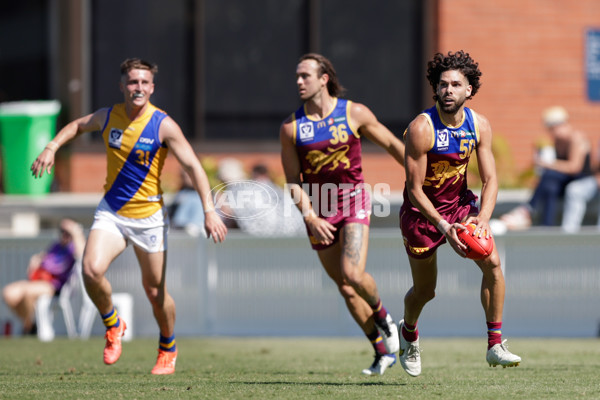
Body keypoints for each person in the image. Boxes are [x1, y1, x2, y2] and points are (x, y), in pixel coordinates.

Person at [30, 58, 227, 375]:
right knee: (91, 270)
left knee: (154, 292)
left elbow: (193, 166)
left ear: (152, 87)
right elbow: (77, 126)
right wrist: (52, 146)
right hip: (112, 212)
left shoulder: (163, 124)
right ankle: (113, 324)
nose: (138, 88)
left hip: (149, 217)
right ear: (122, 86)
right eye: (132, 82)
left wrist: (208, 209)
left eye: (144, 83)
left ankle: (168, 347)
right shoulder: (108, 116)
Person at [280, 53, 405, 376]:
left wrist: (422, 178)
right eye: (297, 76)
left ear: (324, 78)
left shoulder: (354, 112)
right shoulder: (292, 128)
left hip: (354, 201)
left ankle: (384, 318)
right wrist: (310, 217)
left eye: (305, 75)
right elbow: (293, 182)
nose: (298, 81)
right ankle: (382, 352)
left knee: (352, 273)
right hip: (318, 210)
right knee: (346, 288)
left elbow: (392, 143)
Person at [399, 50, 521, 377]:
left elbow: (491, 179)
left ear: (469, 90)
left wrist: (483, 218)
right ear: (435, 89)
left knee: (493, 265)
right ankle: (408, 331)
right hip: (423, 216)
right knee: (426, 291)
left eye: (456, 84)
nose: (448, 90)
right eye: (442, 85)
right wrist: (442, 226)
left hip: (461, 206)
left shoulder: (478, 124)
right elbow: (414, 189)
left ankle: (494, 345)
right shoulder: (421, 129)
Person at [499, 106, 595, 231]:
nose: (553, 132)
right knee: (550, 187)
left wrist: (548, 164)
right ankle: (546, 226)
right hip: (564, 181)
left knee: (549, 175)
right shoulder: (557, 141)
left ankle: (528, 209)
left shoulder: (576, 138)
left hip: (582, 179)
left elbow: (574, 168)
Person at [2, 218, 85, 335]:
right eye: (62, 232)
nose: (64, 235)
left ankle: (29, 329)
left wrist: (75, 231)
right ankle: (30, 325)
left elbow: (81, 254)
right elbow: (46, 258)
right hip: (37, 281)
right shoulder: (56, 246)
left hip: (53, 285)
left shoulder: (73, 247)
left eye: (67, 233)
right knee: (8, 293)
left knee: (27, 293)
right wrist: (37, 260)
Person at [170, 168, 206, 237]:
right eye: (184, 176)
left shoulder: (204, 193)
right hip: (180, 231)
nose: (186, 179)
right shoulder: (181, 193)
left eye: (189, 176)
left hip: (198, 231)